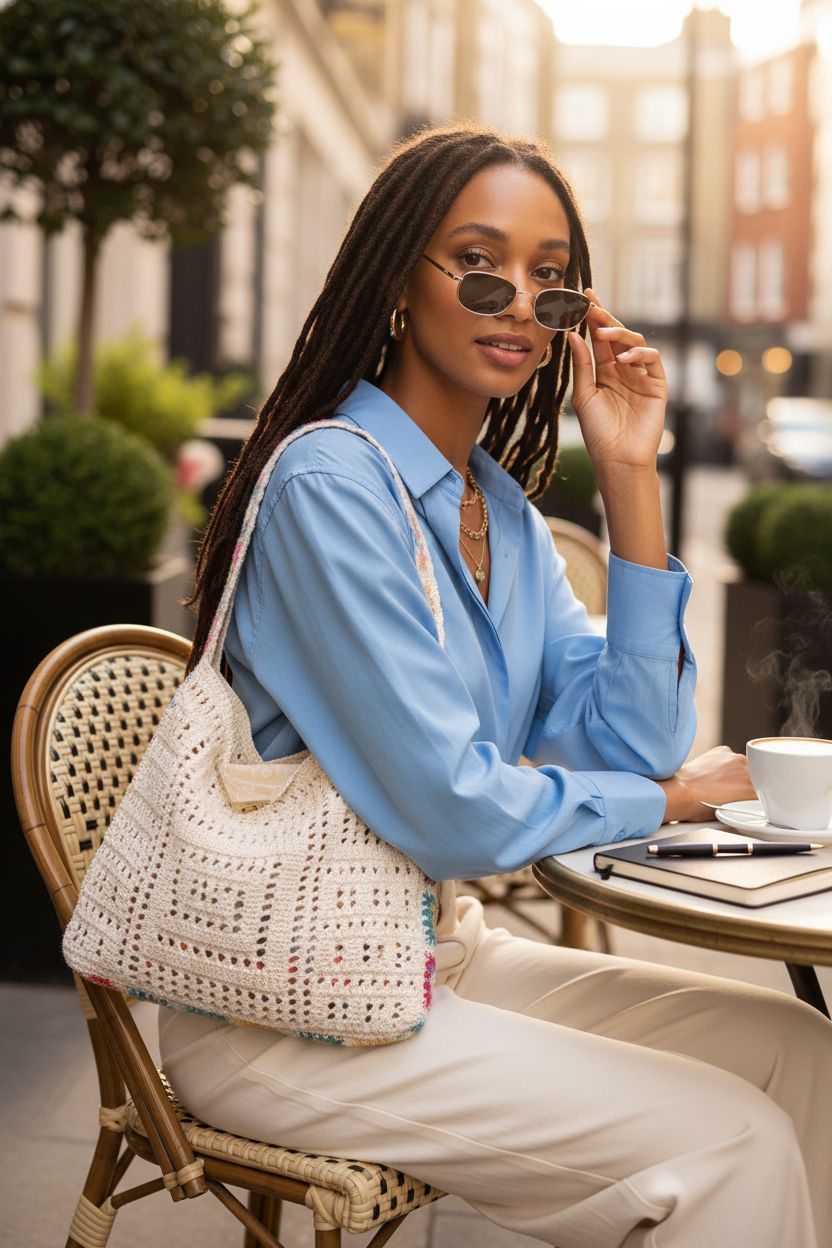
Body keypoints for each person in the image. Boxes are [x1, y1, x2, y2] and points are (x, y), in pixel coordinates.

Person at [162, 123, 832, 1247]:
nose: (519, 300)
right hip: (279, 1004)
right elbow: (453, 806)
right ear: (396, 283)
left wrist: (628, 473)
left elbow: (630, 743)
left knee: (799, 1052)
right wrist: (667, 805)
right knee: (730, 1140)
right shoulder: (333, 483)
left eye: (552, 280)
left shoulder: (501, 515)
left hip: (431, 957)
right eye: (480, 264)